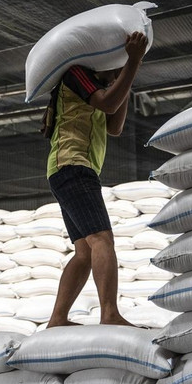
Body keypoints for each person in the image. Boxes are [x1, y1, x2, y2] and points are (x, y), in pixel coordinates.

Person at [44, 31, 148, 328]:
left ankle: (57, 319)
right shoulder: (77, 74)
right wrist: (133, 63)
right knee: (102, 239)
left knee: (84, 251)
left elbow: (114, 125)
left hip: (68, 169)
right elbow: (108, 104)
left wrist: (125, 76)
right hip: (73, 166)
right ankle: (109, 313)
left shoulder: (101, 85)